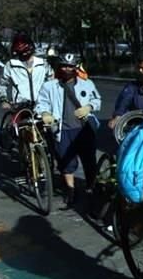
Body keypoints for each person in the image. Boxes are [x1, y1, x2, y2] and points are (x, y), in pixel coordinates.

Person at [36, 53, 101, 207]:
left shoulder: (87, 84)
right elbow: (41, 103)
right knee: (66, 162)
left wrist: (88, 107)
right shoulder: (49, 86)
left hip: (84, 130)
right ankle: (70, 190)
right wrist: (45, 113)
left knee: (89, 161)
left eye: (70, 66)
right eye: (64, 66)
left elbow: (97, 100)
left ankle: (91, 189)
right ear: (59, 67)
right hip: (62, 129)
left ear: (76, 67)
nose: (67, 69)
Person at [0, 34, 53, 109]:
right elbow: (1, 84)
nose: (25, 58)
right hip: (20, 105)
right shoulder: (11, 65)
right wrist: (4, 100)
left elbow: (52, 82)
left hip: (41, 104)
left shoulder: (43, 64)